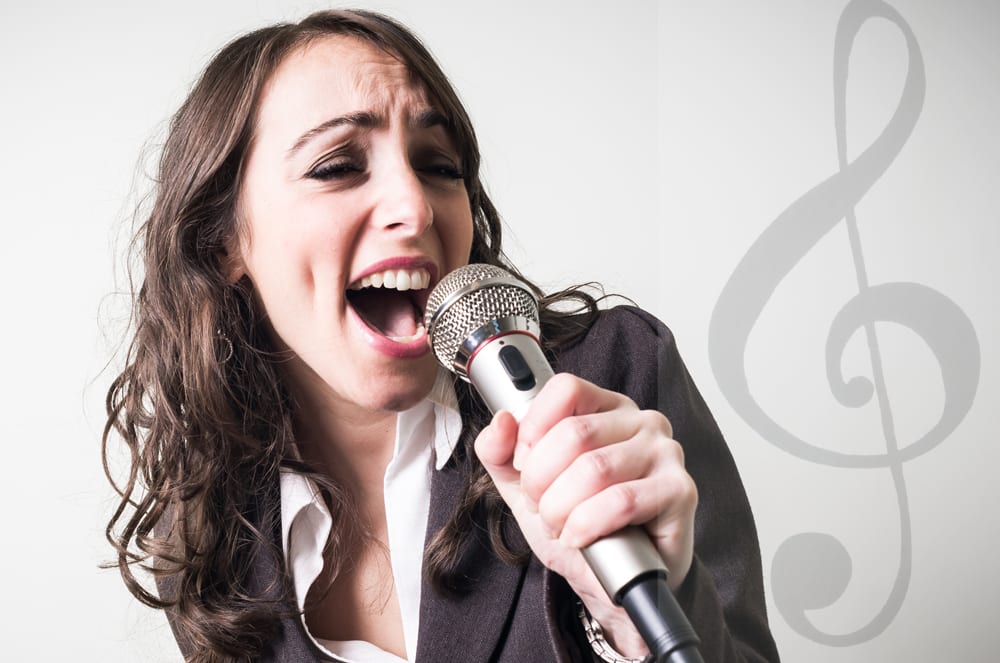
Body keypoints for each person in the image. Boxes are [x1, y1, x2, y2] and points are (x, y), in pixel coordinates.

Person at [103, 9, 780, 663]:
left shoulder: (609, 381)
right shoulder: (203, 528)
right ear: (225, 241)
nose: (415, 204)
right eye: (338, 165)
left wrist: (626, 621)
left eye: (438, 165)